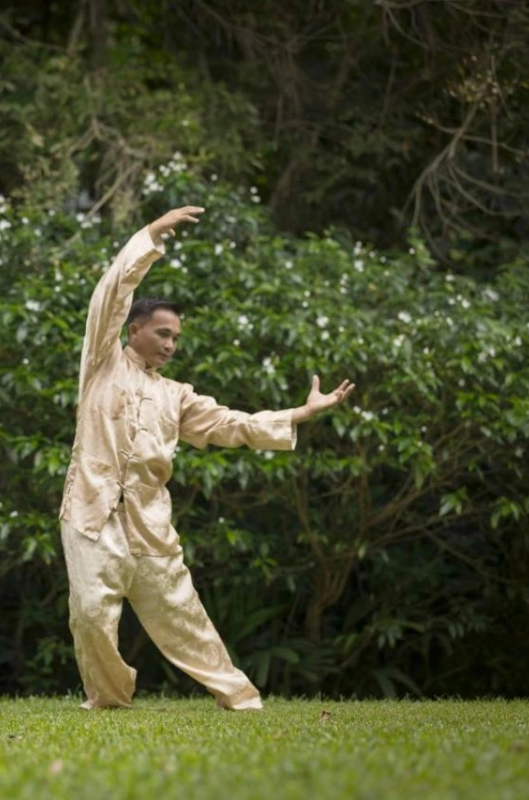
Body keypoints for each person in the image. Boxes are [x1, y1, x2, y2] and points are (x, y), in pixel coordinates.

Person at [60, 205, 354, 711]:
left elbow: (231, 424)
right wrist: (150, 236)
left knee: (184, 617)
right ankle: (108, 699)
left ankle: (240, 698)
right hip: (90, 513)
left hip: (149, 523)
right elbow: (109, 295)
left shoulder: (176, 395)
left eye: (176, 338)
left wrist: (300, 414)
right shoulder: (101, 363)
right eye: (163, 334)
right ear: (133, 330)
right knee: (89, 613)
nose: (171, 345)